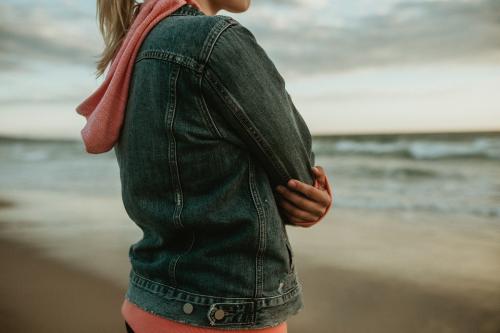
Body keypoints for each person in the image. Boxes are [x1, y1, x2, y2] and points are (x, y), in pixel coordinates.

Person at [76, 0, 333, 332]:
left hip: (149, 301)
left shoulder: (137, 44)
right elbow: (299, 175)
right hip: (223, 311)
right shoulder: (214, 41)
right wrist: (314, 197)